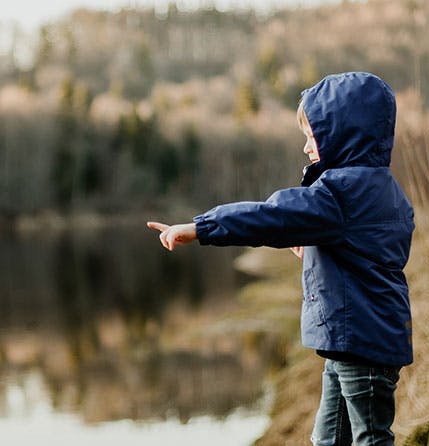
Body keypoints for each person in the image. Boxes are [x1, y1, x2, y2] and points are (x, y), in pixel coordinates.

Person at [147, 72, 414, 446]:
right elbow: (372, 250)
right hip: (357, 339)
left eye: (311, 137)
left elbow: (270, 216)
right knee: (328, 438)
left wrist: (200, 227)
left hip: (361, 342)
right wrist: (320, 249)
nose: (306, 148)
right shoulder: (381, 188)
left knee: (371, 438)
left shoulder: (340, 193)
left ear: (343, 134)